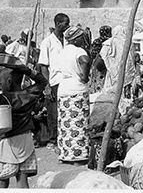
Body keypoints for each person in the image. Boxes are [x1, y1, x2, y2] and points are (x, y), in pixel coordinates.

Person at [0, 61, 48, 188]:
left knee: (2, 181)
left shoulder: (3, 99)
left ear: (9, 82)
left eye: (0, 80)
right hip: (26, 141)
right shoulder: (29, 94)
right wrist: (26, 70)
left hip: (8, 144)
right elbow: (42, 82)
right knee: (22, 181)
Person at [54, 26, 92, 163]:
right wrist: (84, 76)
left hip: (63, 88)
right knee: (78, 123)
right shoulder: (78, 51)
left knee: (65, 124)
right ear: (76, 39)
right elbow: (86, 61)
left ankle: (65, 155)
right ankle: (79, 157)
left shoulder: (62, 52)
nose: (83, 39)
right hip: (77, 89)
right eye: (81, 37)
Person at [38, 13, 70, 150]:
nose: (68, 26)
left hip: (67, 81)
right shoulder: (47, 42)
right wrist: (47, 86)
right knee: (53, 113)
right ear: (58, 24)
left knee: (66, 112)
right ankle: (53, 140)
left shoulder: (67, 40)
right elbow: (43, 66)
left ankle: (64, 139)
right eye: (65, 23)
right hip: (54, 82)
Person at [100, 25, 138, 98]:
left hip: (112, 71)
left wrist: (110, 64)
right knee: (125, 87)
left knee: (113, 89)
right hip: (125, 71)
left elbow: (103, 55)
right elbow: (132, 58)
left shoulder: (108, 43)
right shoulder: (128, 43)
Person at [88, 25, 111, 94]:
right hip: (107, 64)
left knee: (96, 79)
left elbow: (92, 54)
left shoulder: (96, 41)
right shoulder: (110, 42)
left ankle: (95, 93)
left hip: (96, 63)